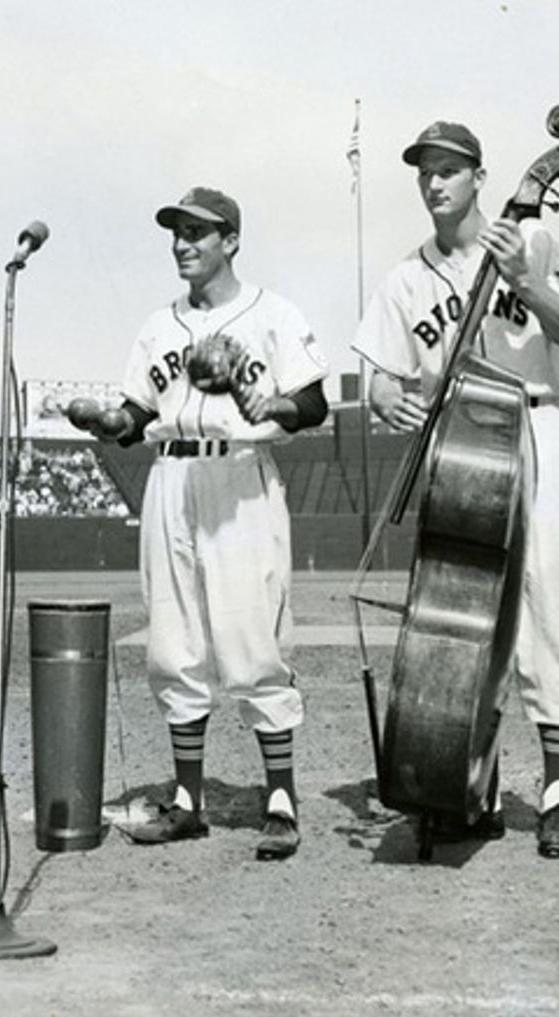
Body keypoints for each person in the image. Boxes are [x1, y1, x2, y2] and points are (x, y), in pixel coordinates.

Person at [352, 120, 559, 859]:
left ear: (480, 177)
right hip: (458, 442)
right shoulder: (405, 276)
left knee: (547, 606)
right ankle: (471, 782)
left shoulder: (533, 243)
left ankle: (557, 792)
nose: (435, 183)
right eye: (425, 170)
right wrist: (382, 395)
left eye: (450, 169)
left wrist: (522, 280)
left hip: (538, 426)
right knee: (465, 616)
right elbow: (378, 371)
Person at [69, 186, 329, 861]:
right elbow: (135, 413)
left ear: (231, 240)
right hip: (171, 475)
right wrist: (110, 422)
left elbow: (315, 401)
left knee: (252, 641)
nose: (183, 244)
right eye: (177, 233)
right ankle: (188, 802)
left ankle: (280, 800)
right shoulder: (158, 326)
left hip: (240, 473)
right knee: (172, 642)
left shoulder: (272, 313)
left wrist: (272, 402)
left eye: (198, 232)